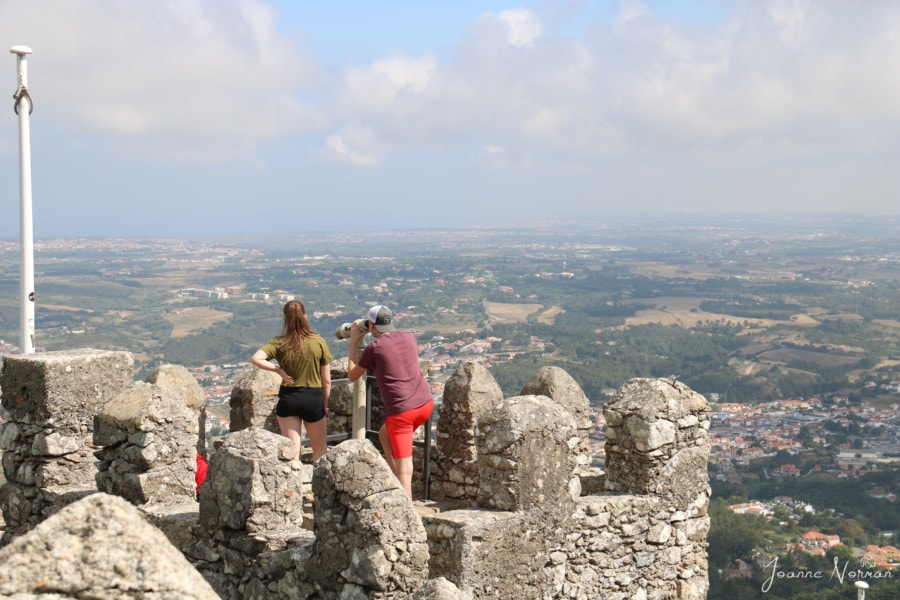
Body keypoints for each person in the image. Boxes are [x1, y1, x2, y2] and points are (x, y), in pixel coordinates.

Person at [347, 304, 433, 499]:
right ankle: (396, 482)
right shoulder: (409, 337)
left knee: (405, 468)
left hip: (402, 412)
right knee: (384, 435)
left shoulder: (374, 348)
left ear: (370, 325)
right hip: (425, 403)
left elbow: (353, 375)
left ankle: (407, 514)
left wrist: (353, 343)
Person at [251, 300, 333, 462]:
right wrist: (325, 405)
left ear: (285, 320)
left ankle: (293, 485)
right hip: (313, 399)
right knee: (320, 451)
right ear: (305, 317)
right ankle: (316, 486)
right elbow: (327, 381)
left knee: (292, 453)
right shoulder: (319, 342)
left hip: (289, 398)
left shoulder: (279, 342)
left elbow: (256, 358)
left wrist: (278, 370)